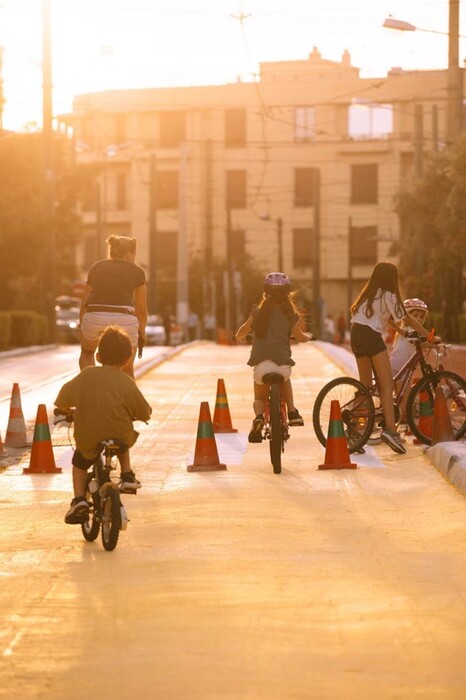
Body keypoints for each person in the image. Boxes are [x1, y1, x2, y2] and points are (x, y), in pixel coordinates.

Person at [55, 326, 152, 524]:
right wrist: (139, 415)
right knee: (124, 438)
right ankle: (126, 475)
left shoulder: (86, 375)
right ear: (127, 360)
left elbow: (62, 398)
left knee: (79, 462)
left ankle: (79, 500)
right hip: (119, 434)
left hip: (88, 435)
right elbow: (144, 411)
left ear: (98, 357)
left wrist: (65, 410)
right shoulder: (126, 382)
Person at [350, 262, 440, 454]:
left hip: (356, 334)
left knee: (365, 387)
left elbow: (389, 319)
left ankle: (354, 431)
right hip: (371, 337)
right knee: (387, 385)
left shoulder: (368, 294)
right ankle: (391, 431)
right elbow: (406, 318)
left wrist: (400, 330)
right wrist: (429, 336)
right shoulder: (388, 295)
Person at [235, 272, 314, 443]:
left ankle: (258, 418)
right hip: (282, 367)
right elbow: (300, 337)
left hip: (261, 367)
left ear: (266, 293)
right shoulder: (290, 315)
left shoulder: (257, 313)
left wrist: (240, 337)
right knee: (285, 375)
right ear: (287, 294)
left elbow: (241, 332)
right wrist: (310, 336)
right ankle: (292, 411)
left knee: (259, 398)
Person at [78, 235, 148, 379]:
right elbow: (141, 309)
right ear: (129, 253)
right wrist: (141, 332)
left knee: (87, 352)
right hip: (125, 318)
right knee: (127, 366)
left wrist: (83, 326)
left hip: (95, 315)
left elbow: (84, 302)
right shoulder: (137, 272)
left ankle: (91, 385)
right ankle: (128, 399)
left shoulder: (96, 267)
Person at [390, 298, 430, 423]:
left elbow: (421, 343)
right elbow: (423, 343)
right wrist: (435, 343)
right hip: (400, 368)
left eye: (421, 317)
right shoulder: (409, 332)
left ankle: (397, 420)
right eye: (415, 316)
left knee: (398, 398)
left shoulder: (406, 332)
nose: (418, 319)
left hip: (398, 367)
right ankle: (401, 421)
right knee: (404, 398)